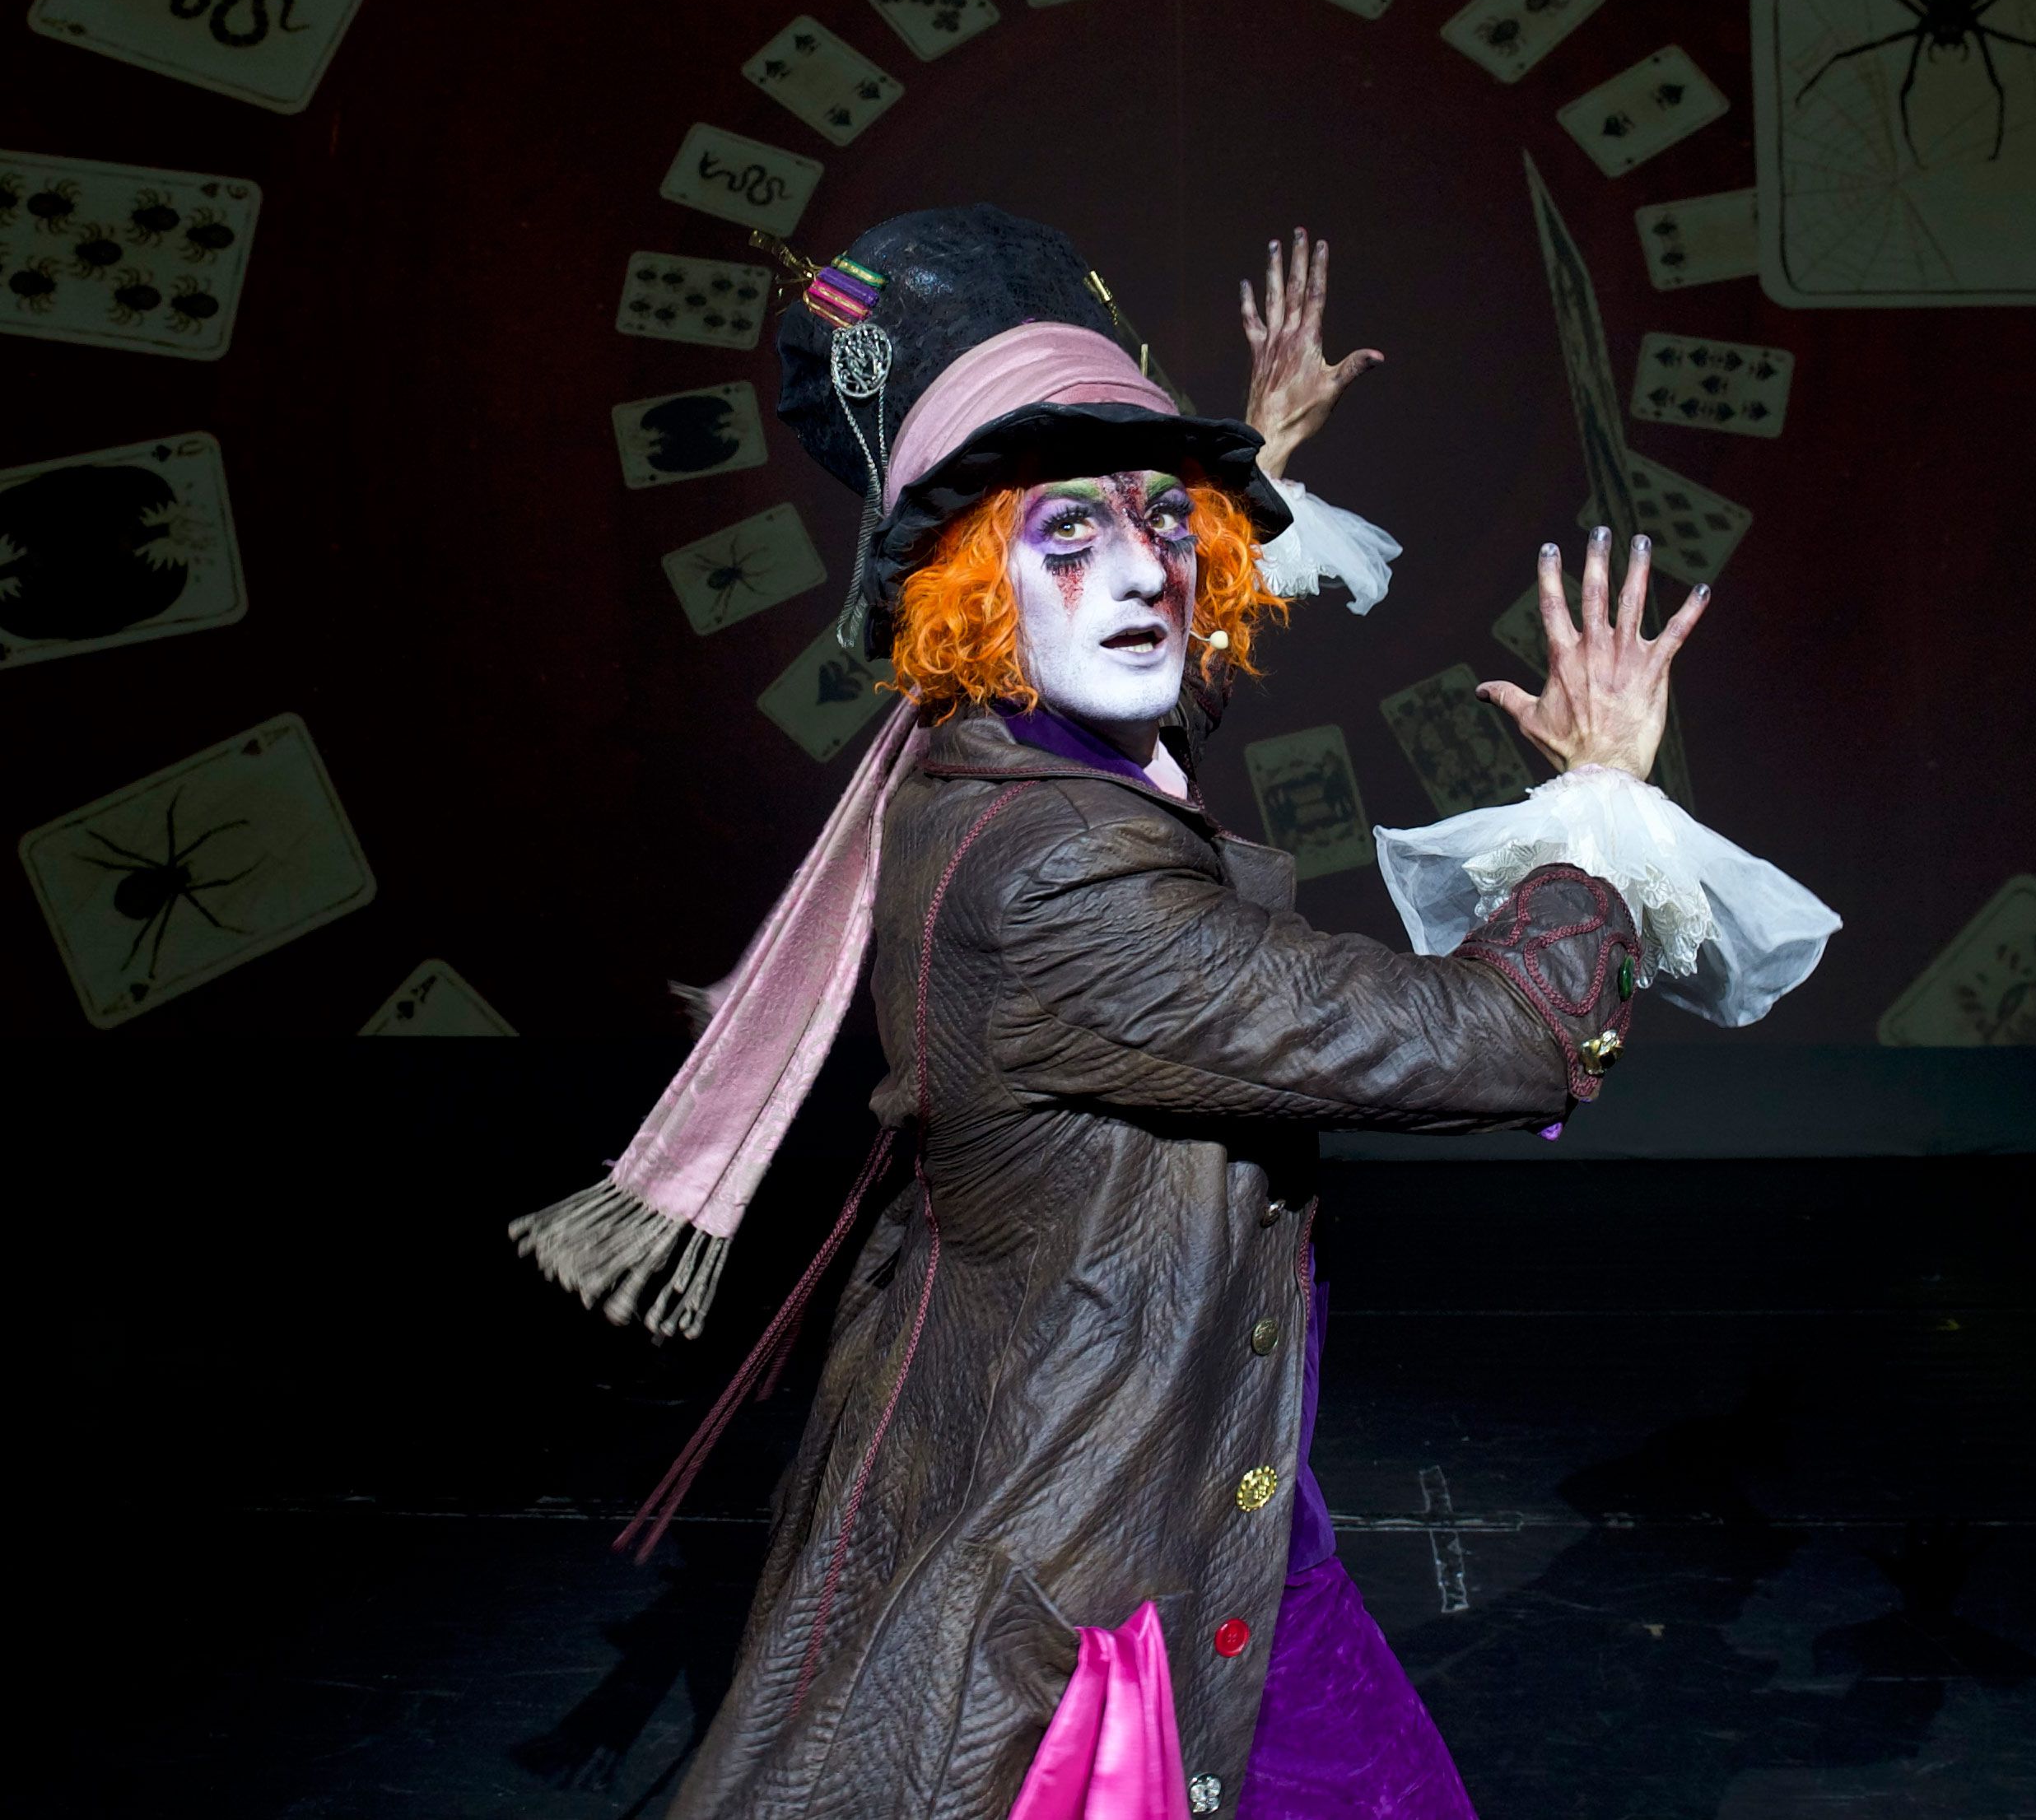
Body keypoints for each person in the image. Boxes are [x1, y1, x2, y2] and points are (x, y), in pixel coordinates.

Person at [512, 206, 1839, 1818]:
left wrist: (1256, 451)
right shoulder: (1058, 879)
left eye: (1166, 519)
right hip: (1095, 1559)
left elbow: (1160, 673)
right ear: (968, 588)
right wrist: (1600, 807)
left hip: (1202, 1478)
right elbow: (1491, 1041)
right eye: (1068, 528)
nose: (1144, 570)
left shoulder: (1006, 747)